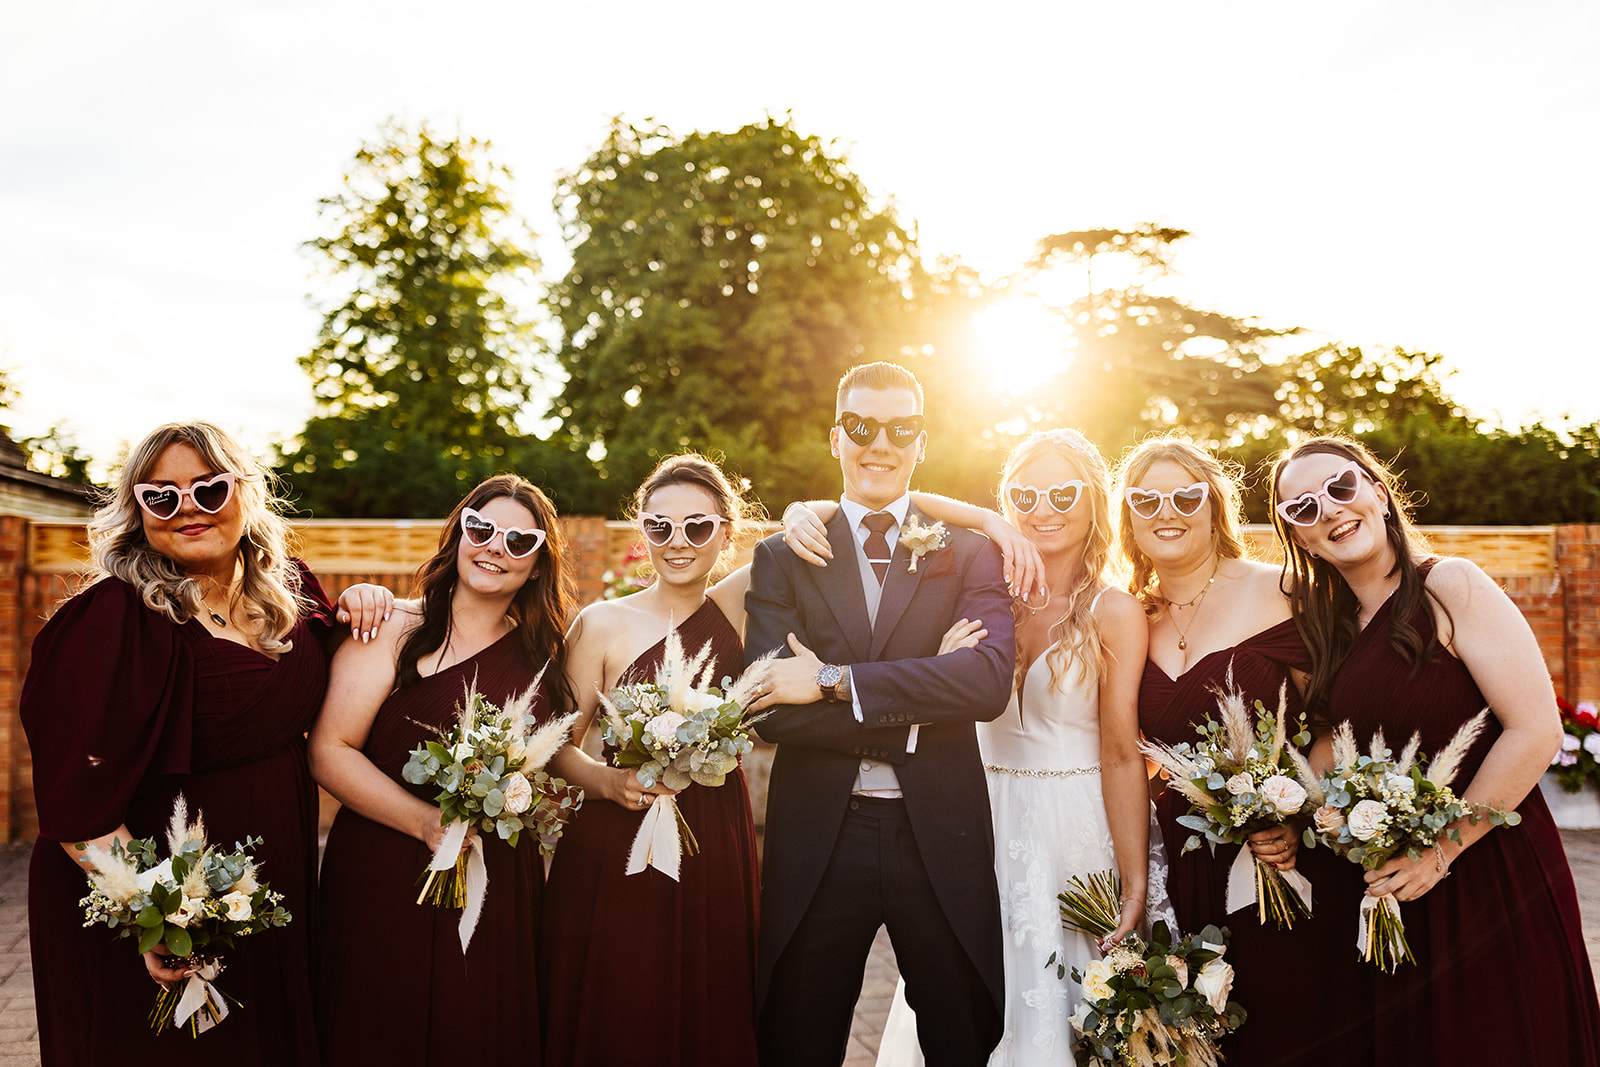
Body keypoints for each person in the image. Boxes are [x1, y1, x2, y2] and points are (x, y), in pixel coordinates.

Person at [789, 428, 1174, 1066]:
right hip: (970, 813)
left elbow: (1120, 752)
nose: (1043, 507)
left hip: (1072, 829)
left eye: (1062, 492)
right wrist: (988, 521)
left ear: (1094, 501)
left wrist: (1135, 884)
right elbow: (899, 503)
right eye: (1023, 494)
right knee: (957, 992)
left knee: (1069, 1003)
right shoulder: (971, 588)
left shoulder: (1114, 611)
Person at [21, 421, 389, 1065]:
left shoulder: (291, 593)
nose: (187, 507)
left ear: (245, 492)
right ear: (137, 512)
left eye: (209, 489)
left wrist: (370, 598)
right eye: (160, 495)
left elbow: (346, 675)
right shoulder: (113, 617)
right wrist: (154, 909)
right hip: (154, 886)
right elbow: (73, 795)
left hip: (273, 871)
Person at [1272, 436, 1600, 1064]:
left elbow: (1535, 729)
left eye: (1342, 487)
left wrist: (1440, 849)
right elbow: (1326, 746)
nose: (1331, 510)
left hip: (1482, 871)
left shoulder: (1449, 584)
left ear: (1376, 489)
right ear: (1300, 538)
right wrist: (1294, 817)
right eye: (1303, 509)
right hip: (1379, 884)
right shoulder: (1325, 627)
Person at [744, 362, 1015, 1067]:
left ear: (921, 444)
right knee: (800, 1035)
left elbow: (984, 684)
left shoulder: (970, 552)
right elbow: (771, 707)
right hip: (819, 837)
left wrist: (829, 679)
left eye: (900, 428)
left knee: (961, 1031)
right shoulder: (781, 557)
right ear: (836, 437)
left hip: (940, 830)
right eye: (861, 427)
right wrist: (925, 696)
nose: (879, 444)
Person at [310, 474, 575, 1065]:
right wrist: (425, 824)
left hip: (497, 877)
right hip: (382, 868)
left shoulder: (547, 660)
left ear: (537, 566)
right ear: (458, 535)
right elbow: (329, 749)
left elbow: (557, 767)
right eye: (481, 530)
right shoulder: (390, 630)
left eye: (519, 542)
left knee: (475, 1027)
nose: (494, 548)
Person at [1116, 435, 1344, 1067]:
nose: (1168, 510)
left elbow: (1335, 720)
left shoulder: (1285, 592)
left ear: (1214, 505)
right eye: (1146, 499)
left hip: (1275, 860)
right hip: (1176, 865)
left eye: (1186, 495)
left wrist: (1290, 812)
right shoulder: (1132, 616)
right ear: (1127, 518)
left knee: (1285, 1029)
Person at [537, 453, 769, 1065]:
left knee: (707, 991)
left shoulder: (742, 603)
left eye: (698, 526)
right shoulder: (602, 622)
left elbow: (833, 512)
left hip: (712, 836)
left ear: (726, 529)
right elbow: (554, 744)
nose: (678, 542)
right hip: (614, 836)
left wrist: (999, 524)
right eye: (659, 526)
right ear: (642, 530)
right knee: (620, 994)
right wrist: (606, 781)